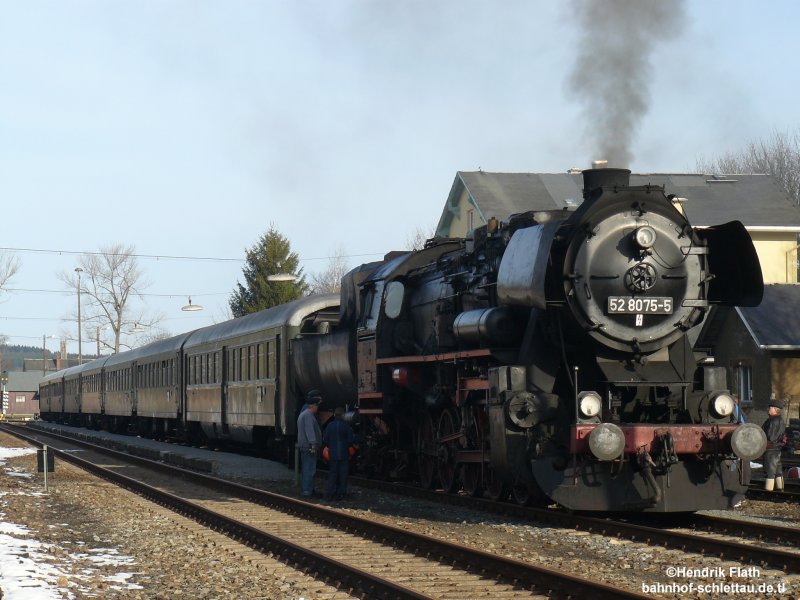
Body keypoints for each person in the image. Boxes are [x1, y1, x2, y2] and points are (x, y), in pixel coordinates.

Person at [322, 405, 355, 501]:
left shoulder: (330, 425)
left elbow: (325, 439)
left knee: (333, 474)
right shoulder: (346, 426)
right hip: (344, 454)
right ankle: (342, 493)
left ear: (334, 414)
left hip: (333, 454)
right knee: (343, 475)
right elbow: (350, 440)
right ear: (343, 415)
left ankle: (331, 493)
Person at [297, 390, 323, 498]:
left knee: (306, 468)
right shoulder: (308, 415)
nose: (318, 408)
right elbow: (309, 431)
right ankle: (307, 492)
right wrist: (313, 444)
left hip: (305, 446)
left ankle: (307, 490)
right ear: (313, 405)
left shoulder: (304, 414)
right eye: (317, 406)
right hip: (308, 447)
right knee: (309, 469)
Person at [762, 400, 786, 492]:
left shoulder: (772, 421)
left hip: (770, 449)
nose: (768, 409)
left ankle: (769, 490)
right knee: (778, 471)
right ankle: (780, 488)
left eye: (770, 408)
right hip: (777, 448)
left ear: (775, 409)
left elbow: (770, 436)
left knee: (770, 471)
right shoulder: (781, 420)